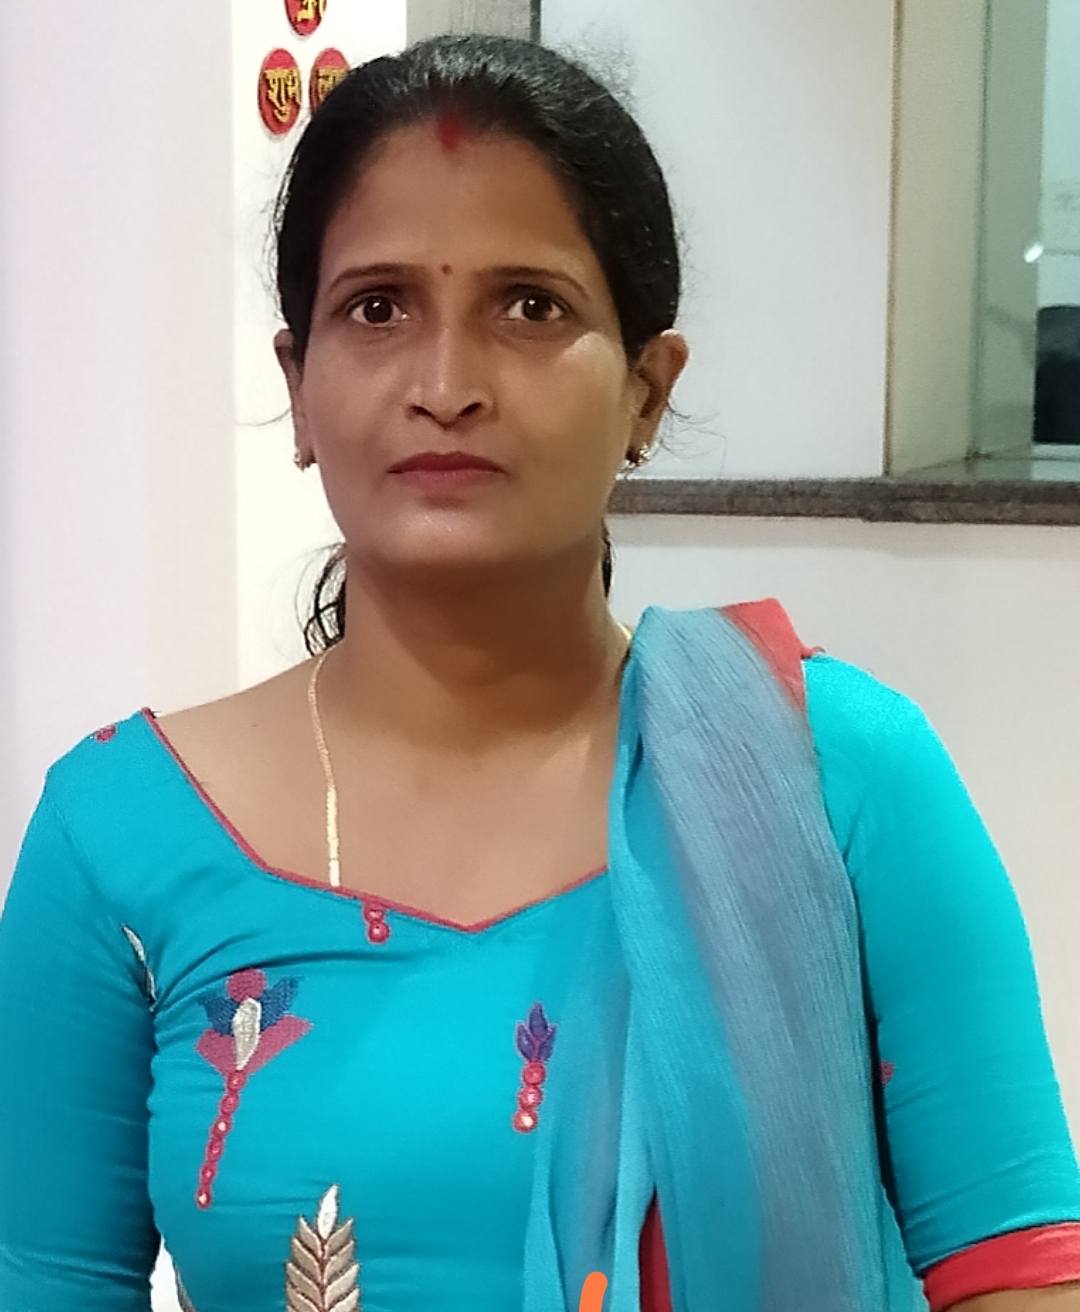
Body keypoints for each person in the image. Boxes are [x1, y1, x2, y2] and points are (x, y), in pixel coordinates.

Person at [1, 32, 1079, 1312]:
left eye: (531, 307)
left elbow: (1021, 1270)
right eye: (378, 307)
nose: (446, 384)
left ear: (647, 391)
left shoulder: (831, 777)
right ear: (297, 384)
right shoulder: (117, 832)